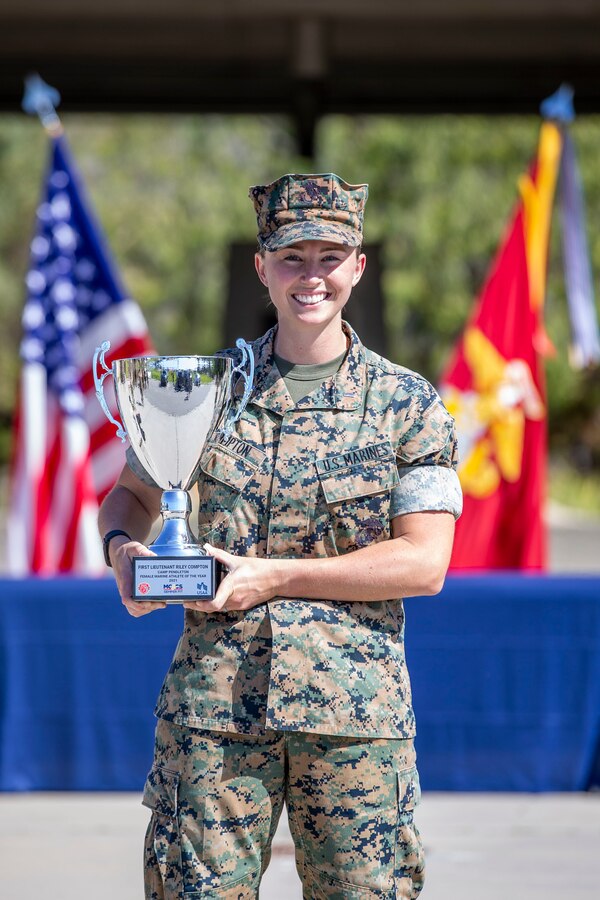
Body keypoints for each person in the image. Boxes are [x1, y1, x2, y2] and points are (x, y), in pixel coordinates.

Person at [98, 173, 462, 899]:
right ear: (261, 268)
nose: (311, 276)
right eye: (292, 257)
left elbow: (424, 563)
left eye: (330, 255)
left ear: (359, 267)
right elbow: (133, 495)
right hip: (215, 715)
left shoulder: (408, 405)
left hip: (354, 720)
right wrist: (124, 555)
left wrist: (275, 575)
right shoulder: (203, 391)